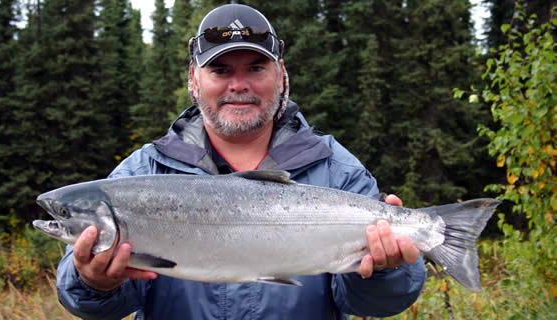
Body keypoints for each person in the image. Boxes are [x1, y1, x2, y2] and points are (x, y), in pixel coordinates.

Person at [56, 4, 426, 319]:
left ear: (280, 76)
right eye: (220, 70)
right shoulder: (142, 172)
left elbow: (380, 302)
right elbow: (91, 304)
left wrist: (383, 272)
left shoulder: (338, 170)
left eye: (255, 68)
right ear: (194, 80)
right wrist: (92, 281)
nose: (238, 84)